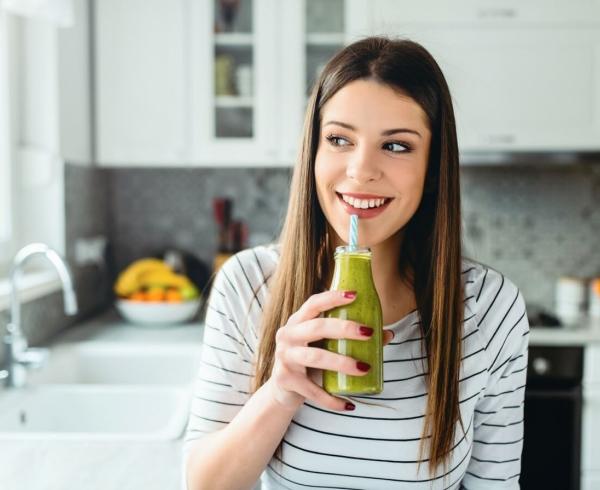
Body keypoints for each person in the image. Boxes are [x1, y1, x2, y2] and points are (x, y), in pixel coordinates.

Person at [184, 36, 529, 489]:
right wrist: (280, 392)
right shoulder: (249, 285)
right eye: (339, 139)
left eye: (398, 146)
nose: (361, 170)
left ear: (433, 169)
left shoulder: (489, 308)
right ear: (314, 152)